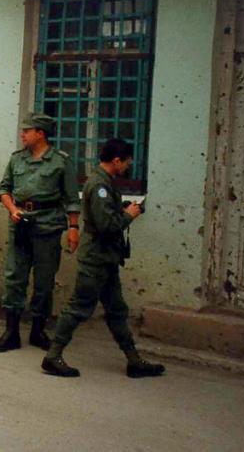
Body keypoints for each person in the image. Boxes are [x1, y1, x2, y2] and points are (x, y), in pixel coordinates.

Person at [42, 138, 165, 378]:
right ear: (116, 160)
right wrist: (128, 216)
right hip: (96, 258)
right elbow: (107, 225)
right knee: (79, 307)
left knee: (117, 309)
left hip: (106, 258)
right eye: (127, 162)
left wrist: (122, 210)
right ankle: (52, 356)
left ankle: (133, 360)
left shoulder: (106, 182)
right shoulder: (100, 185)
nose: (128, 166)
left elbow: (107, 215)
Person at [0, 113, 80, 353]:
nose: (22, 134)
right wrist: (12, 209)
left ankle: (38, 330)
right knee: (14, 277)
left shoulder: (60, 162)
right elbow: (4, 189)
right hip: (20, 223)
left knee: (44, 281)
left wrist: (74, 228)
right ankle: (11, 332)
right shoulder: (16, 159)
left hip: (48, 225)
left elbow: (72, 199)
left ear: (40, 133)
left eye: (27, 131)